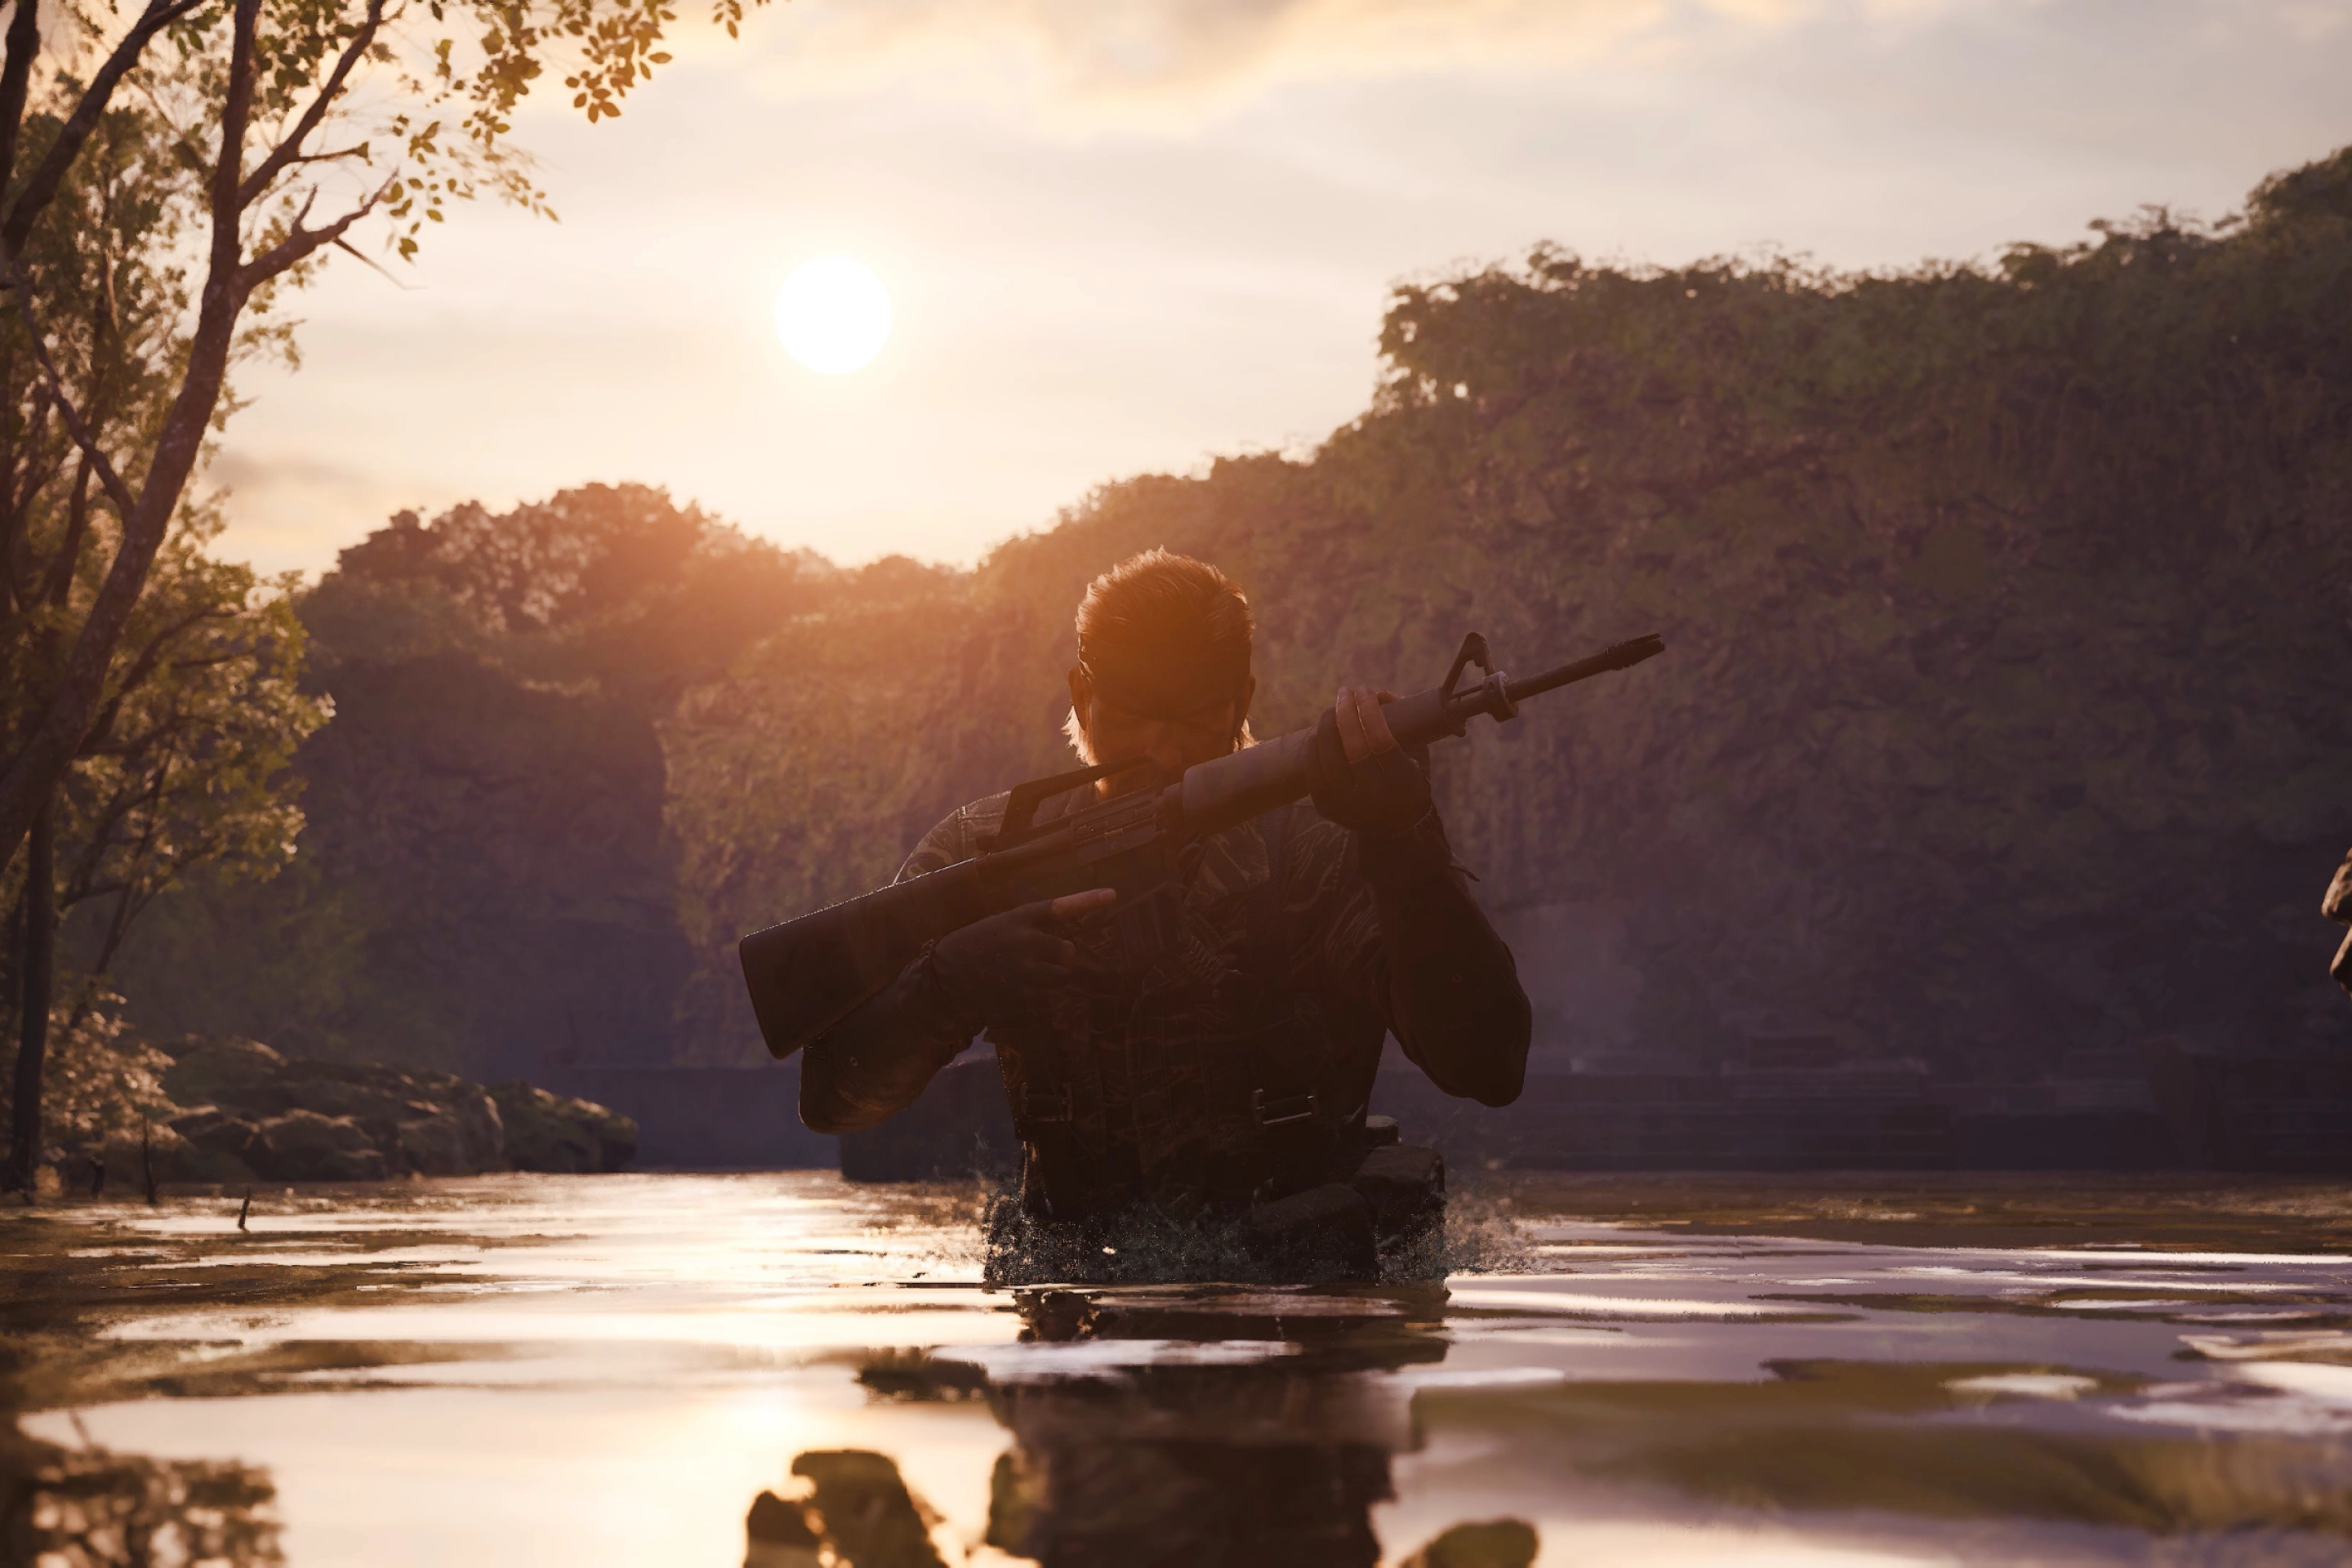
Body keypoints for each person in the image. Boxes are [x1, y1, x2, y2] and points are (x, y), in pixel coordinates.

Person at [798, 549, 1531, 1278]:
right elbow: (833, 1099)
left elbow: (1488, 1066)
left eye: (1191, 719)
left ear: (1239, 703)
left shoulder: (1321, 845)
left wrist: (1403, 844)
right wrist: (948, 985)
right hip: (1071, 1331)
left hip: (1302, 1335)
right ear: (1082, 696)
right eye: (1134, 716)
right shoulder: (989, 857)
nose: (1161, 751)